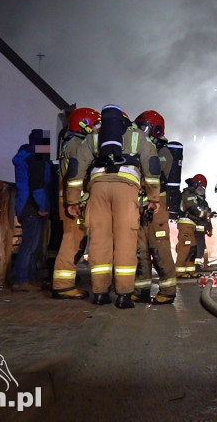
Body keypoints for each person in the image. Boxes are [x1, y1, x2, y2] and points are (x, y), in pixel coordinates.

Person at [66, 105, 161, 309]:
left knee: (99, 240)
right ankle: (124, 295)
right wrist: (154, 197)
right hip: (126, 189)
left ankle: (100, 293)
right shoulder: (137, 136)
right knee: (125, 241)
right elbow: (152, 166)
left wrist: (73, 200)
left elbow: (76, 167)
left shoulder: (93, 136)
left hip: (98, 189)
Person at [51, 107, 100, 300]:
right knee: (71, 241)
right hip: (74, 201)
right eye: (95, 124)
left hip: (72, 199)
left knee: (75, 241)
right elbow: (77, 174)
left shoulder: (71, 142)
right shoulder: (78, 145)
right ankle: (63, 286)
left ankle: (65, 282)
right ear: (84, 125)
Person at [132, 110, 177, 305]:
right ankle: (141, 289)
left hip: (157, 206)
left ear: (154, 129)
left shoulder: (163, 152)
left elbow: (155, 176)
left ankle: (167, 290)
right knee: (139, 249)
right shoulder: (142, 149)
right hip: (140, 206)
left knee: (159, 247)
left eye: (144, 127)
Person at [11, 129, 52, 292]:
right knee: (29, 246)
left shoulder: (25, 156)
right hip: (32, 207)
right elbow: (38, 185)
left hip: (25, 205)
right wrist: (43, 207)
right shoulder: (36, 158)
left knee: (32, 245)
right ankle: (21, 280)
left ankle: (30, 278)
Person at [175, 174, 211, 279]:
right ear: (196, 184)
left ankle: (190, 271)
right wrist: (205, 214)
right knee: (185, 247)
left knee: (192, 248)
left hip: (191, 224)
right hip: (185, 223)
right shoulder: (188, 193)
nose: (202, 189)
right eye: (201, 187)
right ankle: (179, 271)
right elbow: (192, 208)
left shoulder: (194, 195)